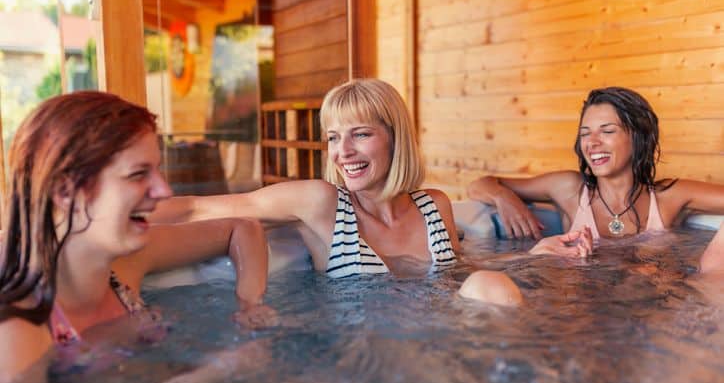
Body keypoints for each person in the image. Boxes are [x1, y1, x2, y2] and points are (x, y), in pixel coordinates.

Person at [151, 79, 591, 306]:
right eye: (333, 138)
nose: (343, 153)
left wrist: (534, 257)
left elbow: (458, 273)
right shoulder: (322, 203)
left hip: (439, 343)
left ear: (395, 138)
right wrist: (114, 213)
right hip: (365, 361)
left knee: (488, 283)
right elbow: (194, 208)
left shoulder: (433, 205)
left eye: (360, 135)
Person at [0, 92, 269, 383]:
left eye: (157, 170)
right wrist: (209, 375)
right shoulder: (18, 327)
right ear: (65, 191)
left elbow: (241, 228)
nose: (163, 190)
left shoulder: (126, 261)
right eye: (138, 174)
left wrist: (250, 304)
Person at [467, 86, 724, 241]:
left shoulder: (669, 196)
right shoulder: (570, 189)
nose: (592, 142)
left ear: (637, 137)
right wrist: (504, 198)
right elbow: (479, 186)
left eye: (607, 131)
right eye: (585, 133)